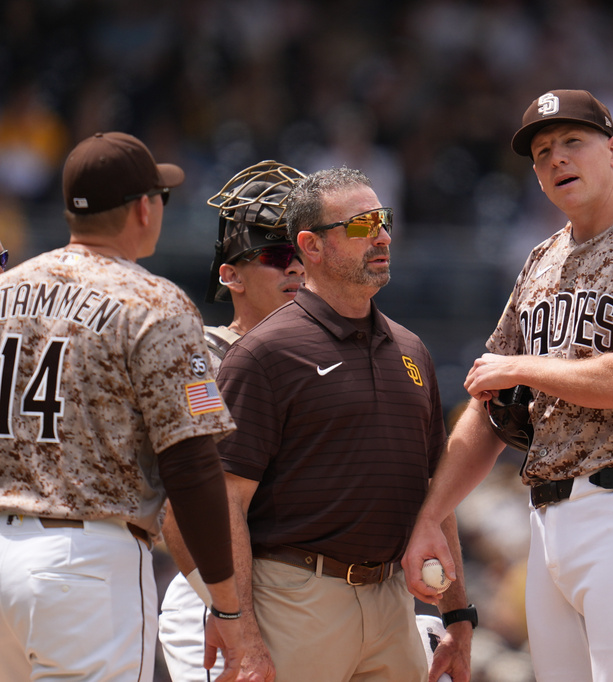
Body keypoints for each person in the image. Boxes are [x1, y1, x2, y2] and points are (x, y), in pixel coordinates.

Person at [402, 89, 613, 681]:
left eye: (573, 142)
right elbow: (490, 406)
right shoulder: (541, 260)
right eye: (543, 152)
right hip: (549, 521)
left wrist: (522, 369)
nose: (557, 159)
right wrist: (431, 516)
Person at [0, 132, 245, 682]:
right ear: (143, 207)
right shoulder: (154, 302)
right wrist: (226, 603)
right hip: (83, 567)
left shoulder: (5, 290)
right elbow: (191, 466)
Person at [215, 166, 473, 681]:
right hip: (295, 599)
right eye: (360, 226)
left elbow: (435, 495)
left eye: (383, 221)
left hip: (392, 603)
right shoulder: (265, 352)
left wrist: (459, 616)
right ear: (310, 245)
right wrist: (240, 634)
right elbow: (227, 503)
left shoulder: (412, 349)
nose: (381, 236)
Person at [159, 160, 306, 682]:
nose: (292, 268)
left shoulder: (333, 354)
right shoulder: (196, 353)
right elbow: (180, 504)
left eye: (300, 254)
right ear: (230, 274)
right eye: (273, 255)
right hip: (212, 588)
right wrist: (227, 609)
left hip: (306, 590)